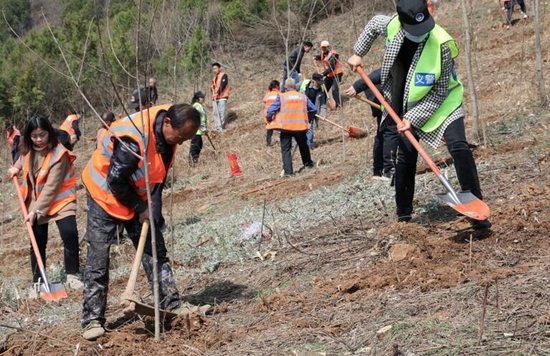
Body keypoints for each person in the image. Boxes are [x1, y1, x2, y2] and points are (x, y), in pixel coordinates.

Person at [347, 0, 491, 229]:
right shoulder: (393, 25)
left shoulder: (442, 44)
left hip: (444, 102)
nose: (421, 34)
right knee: (405, 157)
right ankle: (403, 218)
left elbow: (440, 91)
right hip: (405, 102)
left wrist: (413, 118)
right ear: (403, 24)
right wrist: (358, 53)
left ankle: (476, 210)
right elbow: (374, 24)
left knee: (459, 147)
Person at [80, 103, 210, 340]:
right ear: (168, 124)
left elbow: (156, 173)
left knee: (155, 249)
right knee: (98, 258)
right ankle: (92, 320)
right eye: (180, 137)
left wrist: (150, 207)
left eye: (185, 140)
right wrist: (140, 208)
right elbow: (115, 180)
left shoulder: (169, 134)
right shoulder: (133, 141)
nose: (180, 143)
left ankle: (172, 304)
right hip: (104, 194)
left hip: (136, 194)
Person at [7, 114, 82, 297]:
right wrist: (16, 167)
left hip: (60, 201)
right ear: (28, 136)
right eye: (34, 136)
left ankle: (72, 275)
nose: (39, 140)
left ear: (49, 132)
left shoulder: (59, 153)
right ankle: (38, 281)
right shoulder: (27, 150)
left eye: (42, 135)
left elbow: (52, 187)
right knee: (37, 239)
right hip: (37, 201)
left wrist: (35, 210)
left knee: (69, 233)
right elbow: (22, 160)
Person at [345, 68, 399, 180]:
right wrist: (357, 86)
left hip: (381, 99)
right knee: (390, 132)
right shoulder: (395, 62)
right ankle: (388, 172)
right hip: (385, 101)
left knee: (382, 133)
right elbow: (377, 74)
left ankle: (378, 171)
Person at [266, 78, 316, 177]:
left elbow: (271, 110)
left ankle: (288, 173)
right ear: (295, 87)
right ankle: (308, 164)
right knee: (303, 146)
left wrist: (269, 119)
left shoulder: (281, 97)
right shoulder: (303, 97)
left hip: (286, 128)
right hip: (300, 127)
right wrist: (308, 119)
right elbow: (314, 109)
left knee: (286, 150)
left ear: (285, 87)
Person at [299, 73, 327, 150]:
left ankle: (309, 146)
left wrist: (323, 114)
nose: (320, 85)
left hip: (311, 112)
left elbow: (323, 104)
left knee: (309, 128)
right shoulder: (303, 83)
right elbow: (292, 88)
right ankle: (297, 144)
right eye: (319, 83)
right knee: (298, 129)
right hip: (300, 111)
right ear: (313, 81)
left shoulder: (321, 90)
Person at [313, 40, 344, 108]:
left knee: (334, 89)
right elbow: (321, 57)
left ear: (328, 47)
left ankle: (338, 105)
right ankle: (323, 104)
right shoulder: (323, 53)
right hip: (329, 75)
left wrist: (323, 74)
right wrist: (316, 57)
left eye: (325, 47)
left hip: (337, 73)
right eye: (322, 47)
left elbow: (331, 67)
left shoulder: (333, 54)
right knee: (324, 88)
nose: (323, 49)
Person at [189, 91, 207, 165]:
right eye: (201, 97)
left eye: (204, 97)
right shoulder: (196, 106)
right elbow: (196, 118)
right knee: (195, 146)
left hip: (199, 130)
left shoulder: (200, 105)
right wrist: (202, 127)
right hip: (196, 130)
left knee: (199, 145)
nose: (203, 99)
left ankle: (195, 160)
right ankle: (192, 161)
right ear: (197, 98)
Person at [262, 80, 280, 153]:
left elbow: (264, 102)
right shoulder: (279, 94)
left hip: (268, 115)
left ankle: (268, 146)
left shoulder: (267, 94)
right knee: (280, 130)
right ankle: (282, 144)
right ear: (276, 86)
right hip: (277, 116)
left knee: (269, 132)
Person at [211, 62, 229, 132]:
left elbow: (223, 84)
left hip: (222, 97)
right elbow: (213, 88)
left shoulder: (224, 75)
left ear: (219, 68)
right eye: (213, 69)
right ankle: (217, 127)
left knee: (221, 112)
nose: (214, 70)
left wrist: (217, 93)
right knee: (215, 113)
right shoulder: (214, 78)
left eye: (215, 68)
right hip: (215, 98)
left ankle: (221, 127)